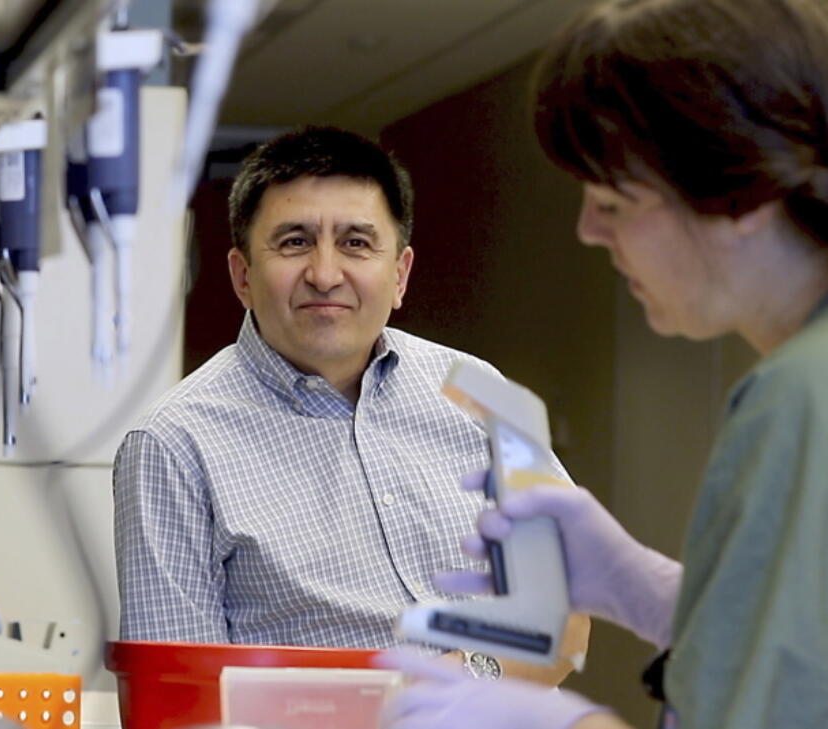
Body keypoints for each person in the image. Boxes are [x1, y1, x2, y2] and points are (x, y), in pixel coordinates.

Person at [379, 0, 828, 727]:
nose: (588, 229)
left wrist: (545, 721)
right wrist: (642, 585)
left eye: (612, 197)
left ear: (739, 194)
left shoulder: (815, 395)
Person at [112, 126, 587, 684]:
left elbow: (566, 609)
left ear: (400, 274)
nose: (326, 273)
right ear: (242, 275)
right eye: (294, 242)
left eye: (356, 243)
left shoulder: (478, 392)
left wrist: (465, 678)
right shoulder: (173, 445)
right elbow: (175, 699)